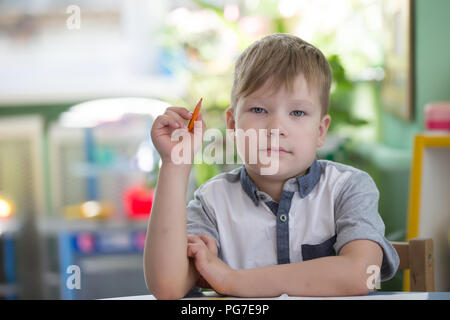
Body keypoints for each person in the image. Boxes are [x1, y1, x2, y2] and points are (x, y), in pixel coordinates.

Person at [144, 33, 399, 299]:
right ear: (232, 125)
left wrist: (231, 280)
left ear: (320, 130)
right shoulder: (213, 202)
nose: (276, 128)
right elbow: (168, 286)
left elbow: (363, 274)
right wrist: (175, 164)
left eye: (297, 113)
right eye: (259, 110)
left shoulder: (348, 188)